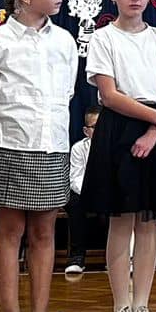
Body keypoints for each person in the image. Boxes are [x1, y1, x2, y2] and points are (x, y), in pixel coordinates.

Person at [0, 0, 79, 312]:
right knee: (10, 230)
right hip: (10, 144)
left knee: (44, 231)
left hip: (52, 145)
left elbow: (67, 92)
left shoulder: (64, 41)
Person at [81, 0, 156, 312]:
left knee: (148, 223)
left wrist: (155, 131)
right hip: (120, 128)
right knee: (121, 221)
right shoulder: (103, 38)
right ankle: (121, 307)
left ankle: (142, 305)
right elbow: (109, 95)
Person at [65, 107, 99, 278]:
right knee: (74, 203)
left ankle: (121, 257)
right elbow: (75, 178)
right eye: (94, 127)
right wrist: (89, 193)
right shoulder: (79, 148)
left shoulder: (115, 147)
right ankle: (77, 257)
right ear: (86, 131)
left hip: (108, 192)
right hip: (84, 192)